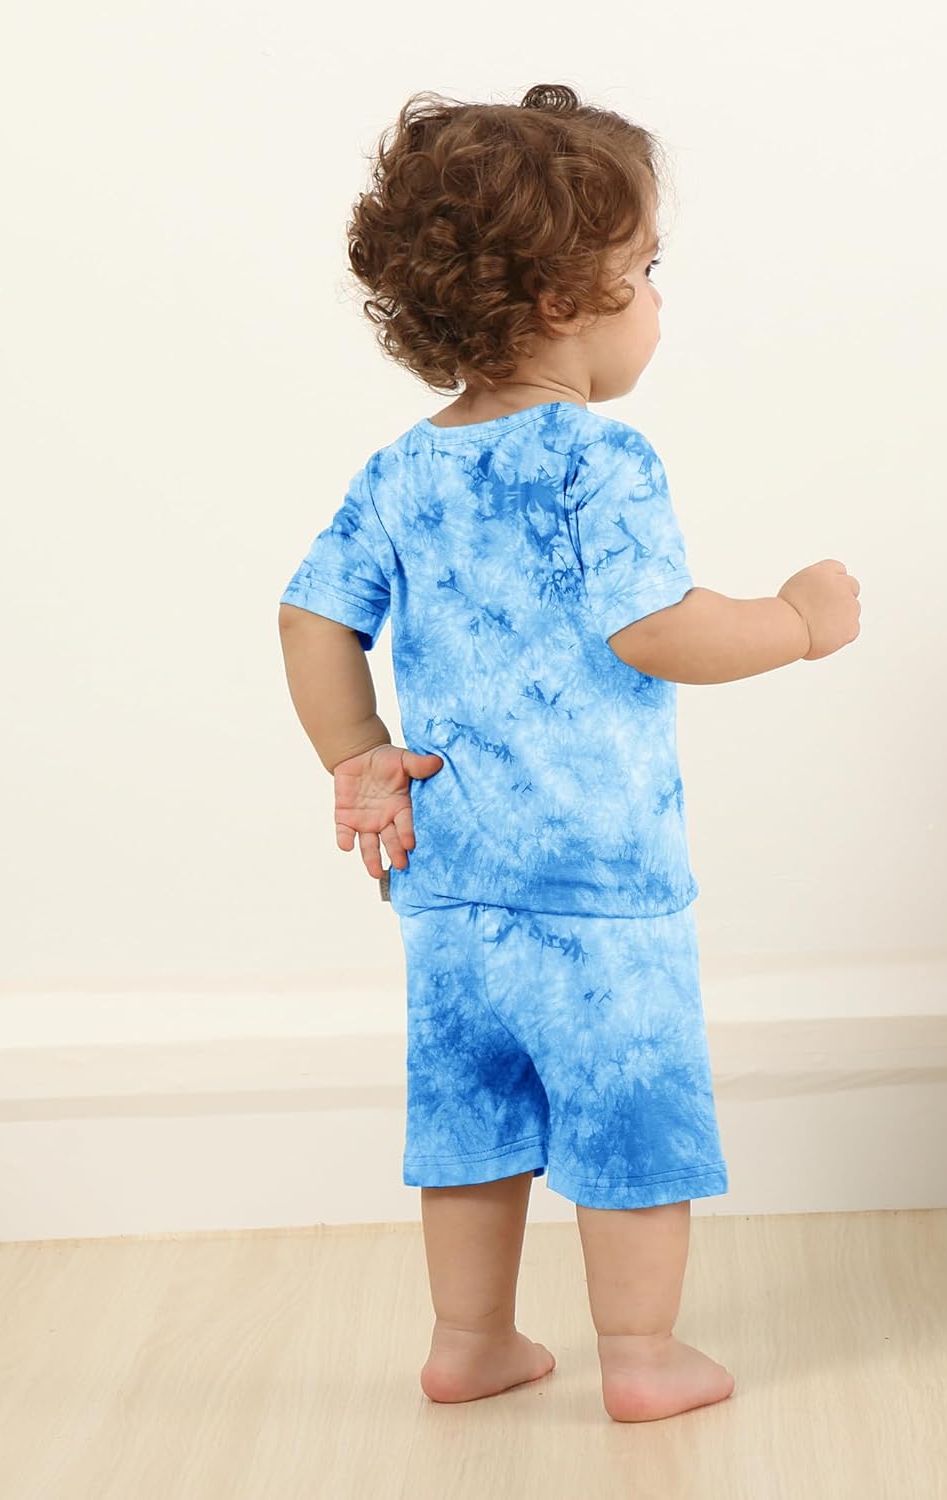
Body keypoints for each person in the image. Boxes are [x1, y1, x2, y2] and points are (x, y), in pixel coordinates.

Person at [278, 81, 861, 1424]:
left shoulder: (400, 470)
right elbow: (654, 627)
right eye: (643, 268)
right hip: (599, 877)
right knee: (627, 1106)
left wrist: (358, 753)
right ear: (561, 301)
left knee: (471, 1115)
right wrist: (794, 622)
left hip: (450, 871)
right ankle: (643, 1358)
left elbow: (312, 616)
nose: (657, 296)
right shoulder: (599, 459)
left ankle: (469, 1341)